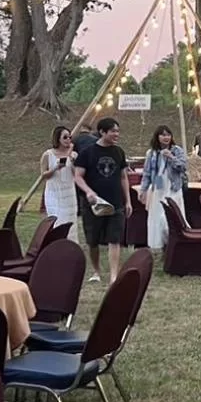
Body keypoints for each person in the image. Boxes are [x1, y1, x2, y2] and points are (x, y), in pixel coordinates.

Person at [72, 117, 130, 283]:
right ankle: (96, 271)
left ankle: (114, 275)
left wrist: (128, 201)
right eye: (113, 131)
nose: (116, 134)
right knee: (93, 240)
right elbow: (78, 176)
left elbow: (123, 177)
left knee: (115, 238)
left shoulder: (119, 152)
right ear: (102, 132)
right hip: (93, 205)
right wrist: (89, 192)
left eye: (118, 131)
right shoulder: (87, 153)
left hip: (115, 202)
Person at [140, 125, 187, 251]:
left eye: (168, 135)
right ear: (157, 137)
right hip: (158, 187)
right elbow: (147, 173)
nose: (166, 137)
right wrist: (143, 189)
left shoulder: (177, 150)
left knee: (172, 215)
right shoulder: (151, 153)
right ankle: (158, 244)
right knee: (156, 215)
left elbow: (183, 167)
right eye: (163, 135)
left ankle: (175, 243)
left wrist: (171, 157)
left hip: (173, 186)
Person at [40, 126, 81, 245]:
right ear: (58, 139)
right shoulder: (48, 155)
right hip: (54, 193)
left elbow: (77, 174)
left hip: (69, 193)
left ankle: (70, 245)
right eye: (65, 137)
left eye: (69, 137)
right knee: (57, 219)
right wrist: (55, 168)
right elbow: (43, 175)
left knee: (70, 221)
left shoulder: (73, 155)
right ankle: (56, 245)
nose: (68, 140)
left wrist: (72, 161)